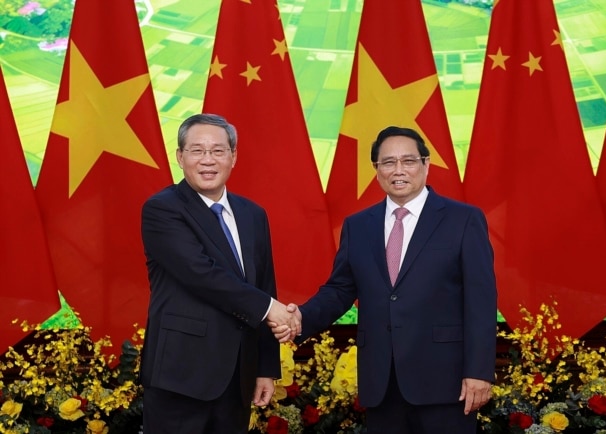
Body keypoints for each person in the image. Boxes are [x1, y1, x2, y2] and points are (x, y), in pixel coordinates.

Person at [273, 126, 497, 434]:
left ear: (426, 164)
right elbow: (340, 290)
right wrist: (300, 318)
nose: (399, 170)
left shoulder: (463, 219)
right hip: (382, 385)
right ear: (377, 170)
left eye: (408, 161)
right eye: (388, 162)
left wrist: (479, 372)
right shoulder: (358, 225)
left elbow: (481, 301)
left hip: (447, 383)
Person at [140, 113, 299, 434]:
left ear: (233, 157)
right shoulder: (163, 208)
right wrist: (272, 309)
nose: (208, 160)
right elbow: (201, 274)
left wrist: (265, 369)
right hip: (180, 377)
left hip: (237, 379)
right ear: (180, 157)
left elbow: (265, 285)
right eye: (197, 151)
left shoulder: (252, 214)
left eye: (218, 151)